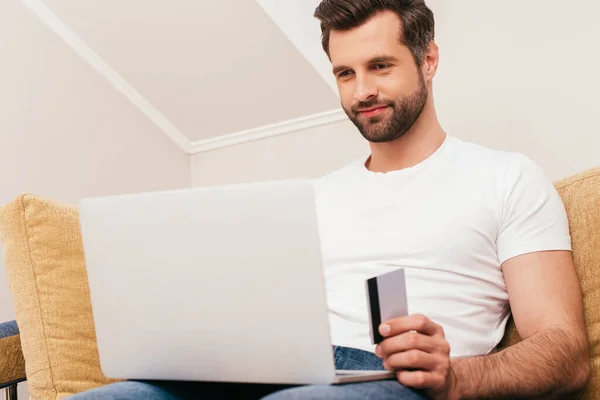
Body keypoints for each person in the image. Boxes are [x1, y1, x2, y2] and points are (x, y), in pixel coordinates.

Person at [68, 0, 590, 399]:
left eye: (380, 65)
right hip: (275, 372)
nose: (362, 91)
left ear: (428, 60)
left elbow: (566, 352)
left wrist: (454, 377)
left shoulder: (506, 177)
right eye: (345, 72)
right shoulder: (311, 199)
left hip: (393, 381)